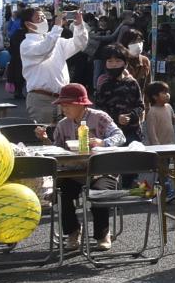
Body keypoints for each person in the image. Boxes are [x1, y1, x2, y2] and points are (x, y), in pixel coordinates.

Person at [49, 82, 125, 250]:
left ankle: (102, 233)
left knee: (99, 193)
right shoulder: (62, 125)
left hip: (102, 171)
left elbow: (120, 136)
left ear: (81, 104)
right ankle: (73, 231)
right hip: (73, 171)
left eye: (68, 105)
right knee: (61, 193)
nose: (64, 109)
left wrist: (102, 142)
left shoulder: (99, 117)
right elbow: (56, 149)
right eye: (62, 105)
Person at [20, 8, 88, 126]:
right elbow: (45, 50)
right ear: (28, 24)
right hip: (41, 99)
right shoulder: (26, 44)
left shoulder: (55, 40)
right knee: (45, 137)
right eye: (40, 18)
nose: (44, 21)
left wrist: (79, 25)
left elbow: (79, 44)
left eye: (45, 17)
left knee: (66, 136)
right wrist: (57, 27)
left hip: (63, 98)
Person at [91, 42, 146, 143]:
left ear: (125, 63)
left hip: (132, 132)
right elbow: (99, 109)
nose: (114, 64)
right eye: (110, 61)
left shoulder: (132, 83)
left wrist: (130, 116)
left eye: (117, 61)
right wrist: (116, 118)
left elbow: (140, 106)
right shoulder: (104, 85)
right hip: (110, 133)